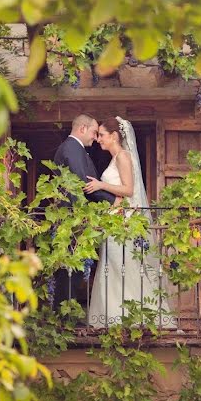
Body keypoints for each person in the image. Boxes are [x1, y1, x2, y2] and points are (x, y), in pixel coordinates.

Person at [84, 116, 176, 329]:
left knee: (123, 267)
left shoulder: (123, 157)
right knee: (114, 268)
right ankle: (114, 317)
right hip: (116, 221)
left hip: (124, 223)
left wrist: (100, 185)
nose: (99, 139)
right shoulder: (114, 158)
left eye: (102, 135)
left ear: (114, 136)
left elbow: (129, 190)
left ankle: (133, 317)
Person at [50, 114, 116, 308]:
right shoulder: (72, 148)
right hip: (71, 219)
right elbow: (84, 183)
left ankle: (64, 314)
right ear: (82, 129)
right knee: (69, 271)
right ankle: (63, 315)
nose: (95, 138)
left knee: (73, 270)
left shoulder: (75, 149)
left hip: (75, 220)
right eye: (94, 132)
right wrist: (114, 201)